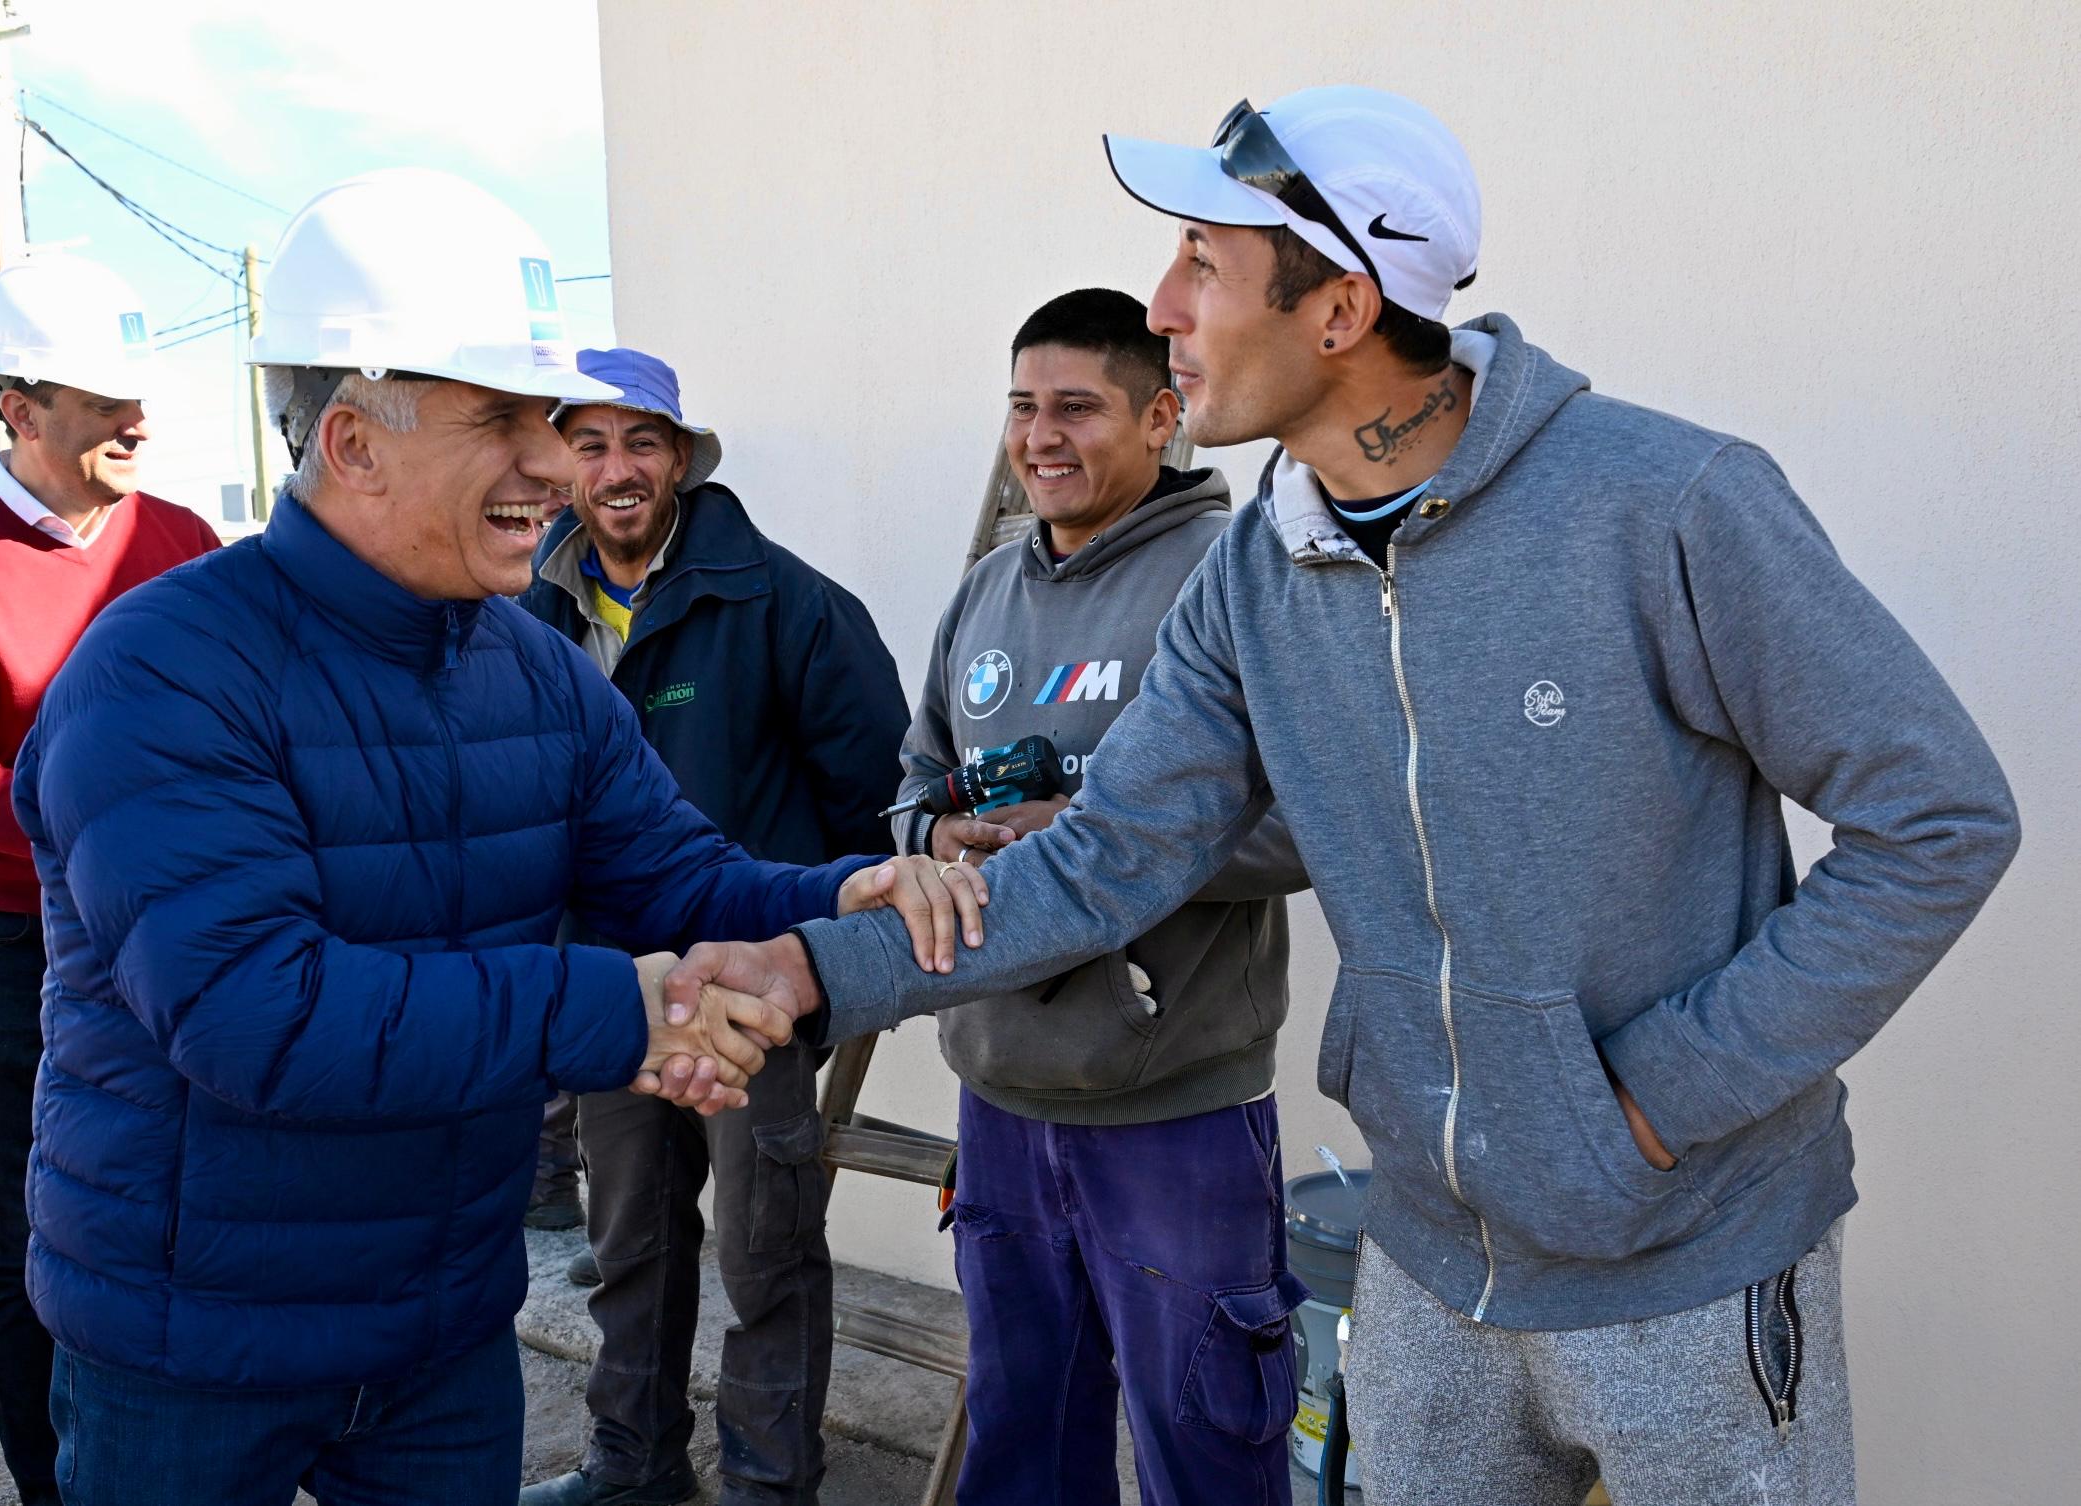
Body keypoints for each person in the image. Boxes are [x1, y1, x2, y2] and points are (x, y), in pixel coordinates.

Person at [670, 87, 2021, 1506]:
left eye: (1202, 262)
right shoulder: (1253, 574)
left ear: (1339, 311)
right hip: (1427, 1264)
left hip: (1687, 1262)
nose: (1162, 306)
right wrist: (811, 969)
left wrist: (1656, 1096)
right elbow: (1102, 861)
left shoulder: (1666, 504)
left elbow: (1937, 820)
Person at [8, 168, 983, 1506]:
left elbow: (675, 878)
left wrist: (837, 894)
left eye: (554, 422)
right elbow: (253, 1014)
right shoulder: (163, 671)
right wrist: (625, 1010)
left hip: (439, 1330)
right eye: (506, 419)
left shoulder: (530, 668)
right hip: (196, 1341)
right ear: (353, 441)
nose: (555, 464)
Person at [886, 287, 1306, 1503]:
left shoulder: (1237, 578)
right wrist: (938, 831)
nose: (1040, 437)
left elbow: (1307, 822)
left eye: (1077, 407)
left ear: (1163, 417)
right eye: (1023, 407)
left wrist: (1093, 841)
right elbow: (912, 781)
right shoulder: (986, 591)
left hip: (1175, 1112)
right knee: (1025, 1447)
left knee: (1206, 1453)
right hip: (999, 1096)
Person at [517, 347, 908, 1506]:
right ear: (561, 466)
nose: (617, 469)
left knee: (763, 1252)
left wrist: (822, 970)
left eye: (642, 442)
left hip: (754, 994)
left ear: (680, 459)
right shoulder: (531, 618)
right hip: (613, 991)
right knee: (630, 1244)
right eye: (590, 445)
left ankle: (769, 1484)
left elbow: (872, 804)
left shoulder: (787, 603)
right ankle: (632, 1464)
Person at [0, 255, 221, 1503]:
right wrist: (134, 847)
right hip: (16, 938)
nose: (139, 422)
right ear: (17, 407)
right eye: (105, 401)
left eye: (140, 397)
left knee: (197, 1201)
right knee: (45, 1228)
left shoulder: (185, 541)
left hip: (185, 923)